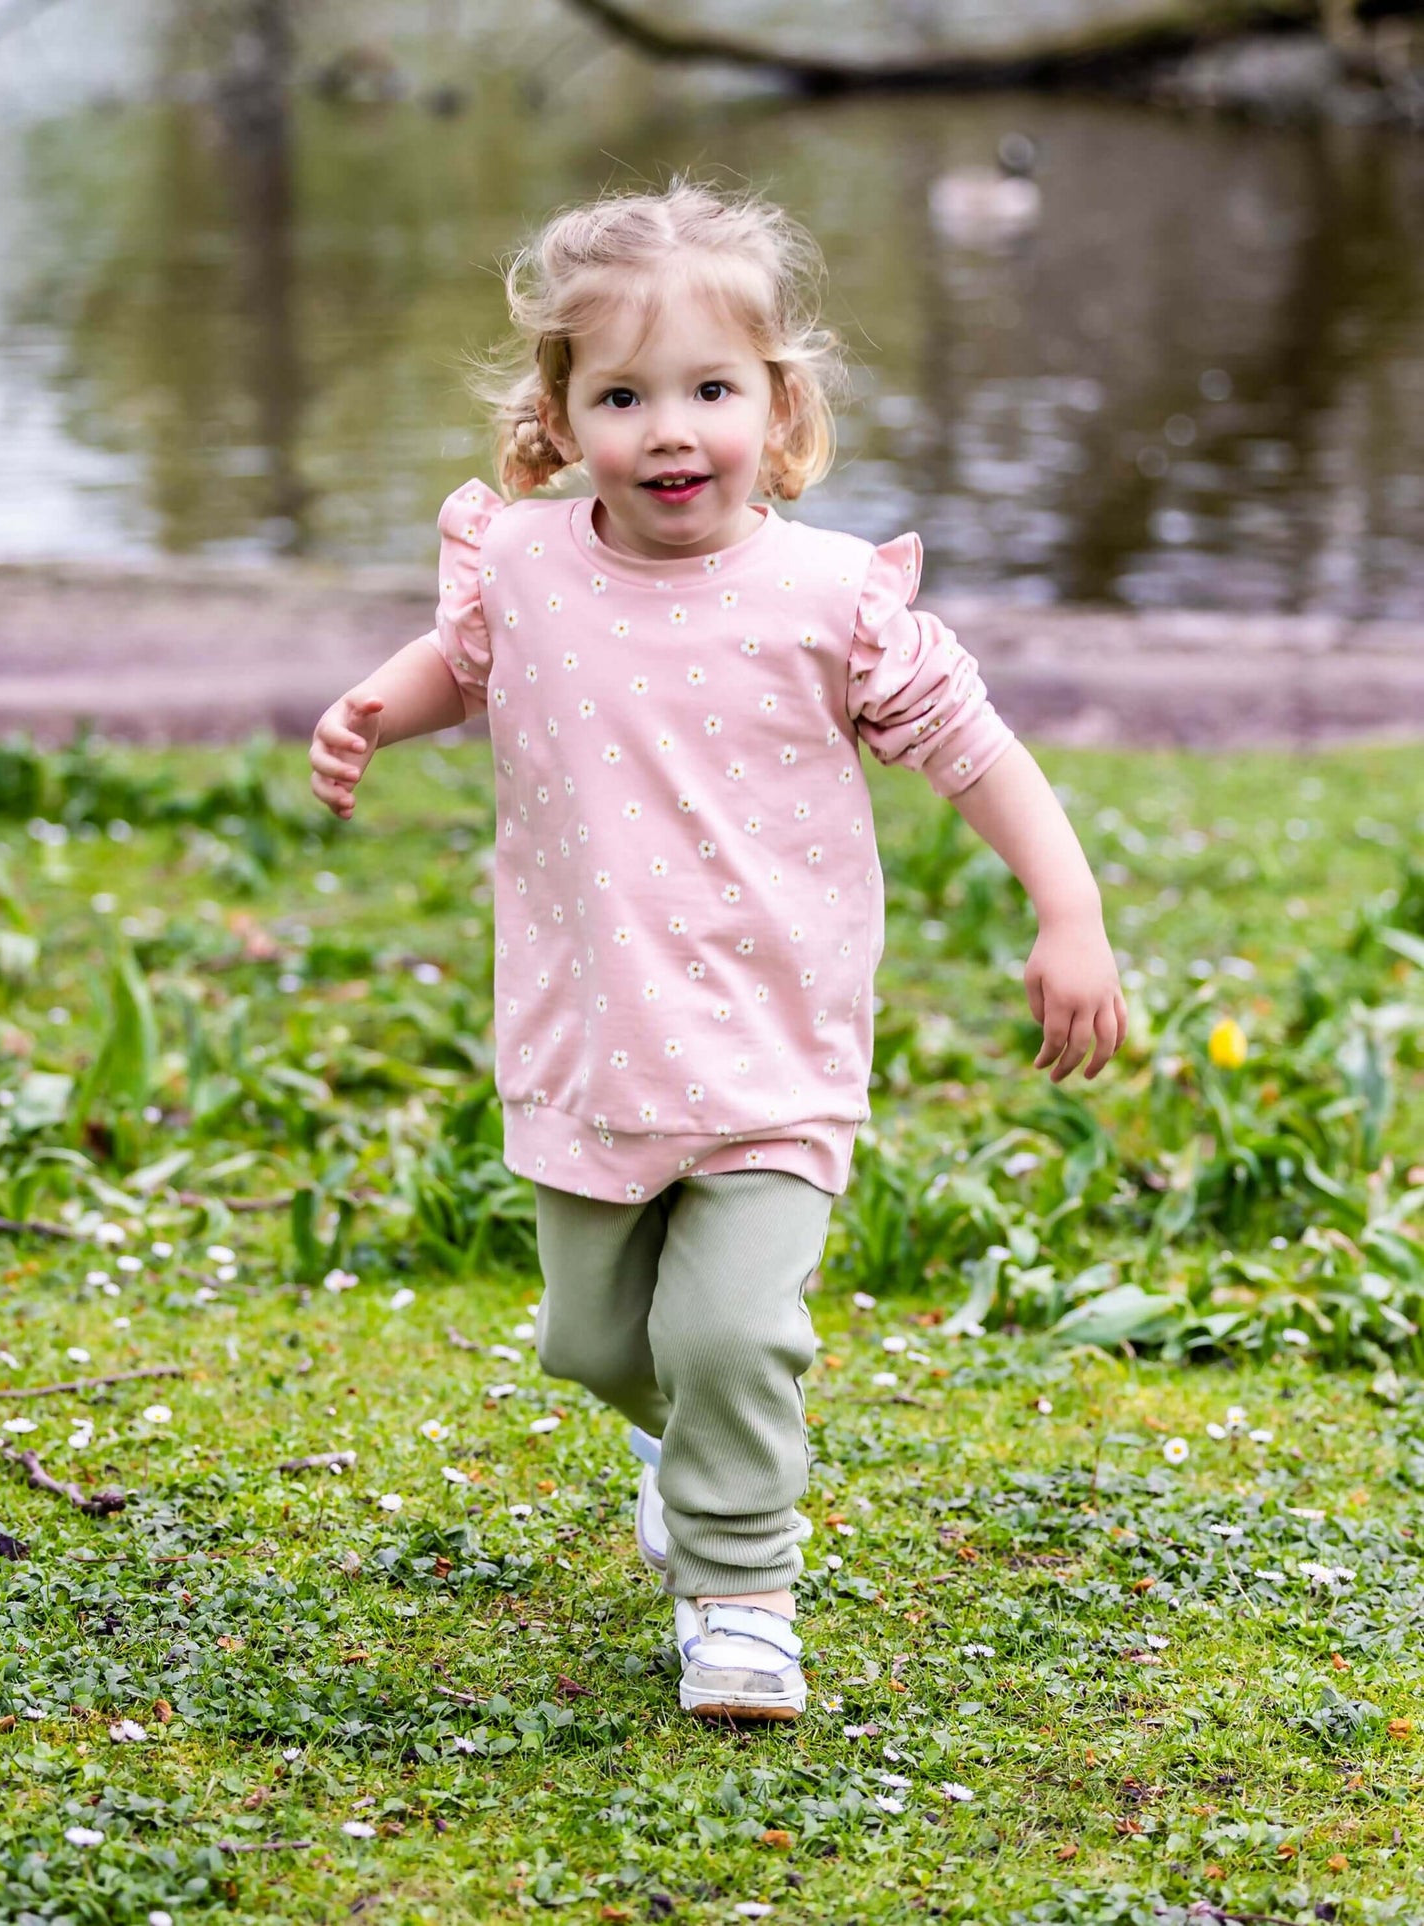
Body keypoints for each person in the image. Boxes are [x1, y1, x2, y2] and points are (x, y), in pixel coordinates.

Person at [309, 177, 1127, 1723]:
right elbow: (458, 663)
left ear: (778, 402)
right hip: (584, 1032)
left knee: (734, 1326)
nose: (668, 429)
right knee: (592, 1339)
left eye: (708, 390)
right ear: (556, 415)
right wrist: (376, 704)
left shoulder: (828, 600)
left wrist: (1064, 909)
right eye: (621, 395)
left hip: (770, 1039)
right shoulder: (524, 565)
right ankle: (687, 1444)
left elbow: (975, 752)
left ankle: (740, 1588)